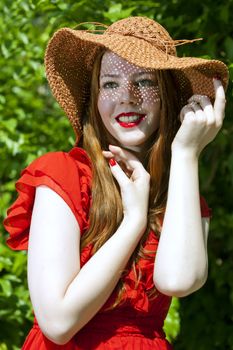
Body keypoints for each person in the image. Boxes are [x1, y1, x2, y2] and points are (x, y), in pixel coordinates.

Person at [4, 16, 228, 349]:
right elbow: (58, 323)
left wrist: (186, 154)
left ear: (167, 96)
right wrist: (134, 222)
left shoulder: (180, 192)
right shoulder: (63, 175)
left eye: (145, 82)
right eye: (111, 83)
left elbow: (179, 280)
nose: (128, 96)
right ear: (94, 98)